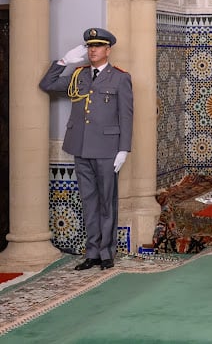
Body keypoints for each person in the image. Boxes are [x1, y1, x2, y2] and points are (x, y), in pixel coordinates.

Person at [39, 28, 133, 271]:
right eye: (90, 46)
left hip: (107, 149)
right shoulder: (78, 74)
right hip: (81, 147)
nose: (93, 50)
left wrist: (124, 149)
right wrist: (63, 62)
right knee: (88, 201)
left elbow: (126, 116)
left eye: (98, 46)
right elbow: (47, 84)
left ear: (108, 50)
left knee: (106, 202)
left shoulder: (120, 77)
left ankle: (106, 253)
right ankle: (92, 252)